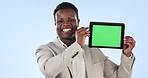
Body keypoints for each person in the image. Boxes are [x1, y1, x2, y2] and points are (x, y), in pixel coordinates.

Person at [35, 2, 136, 78]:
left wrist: (127, 55)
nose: (65, 24)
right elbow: (48, 70)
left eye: (71, 20)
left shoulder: (94, 51)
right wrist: (77, 46)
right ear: (55, 25)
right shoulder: (45, 49)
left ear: (78, 22)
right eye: (60, 21)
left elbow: (120, 76)